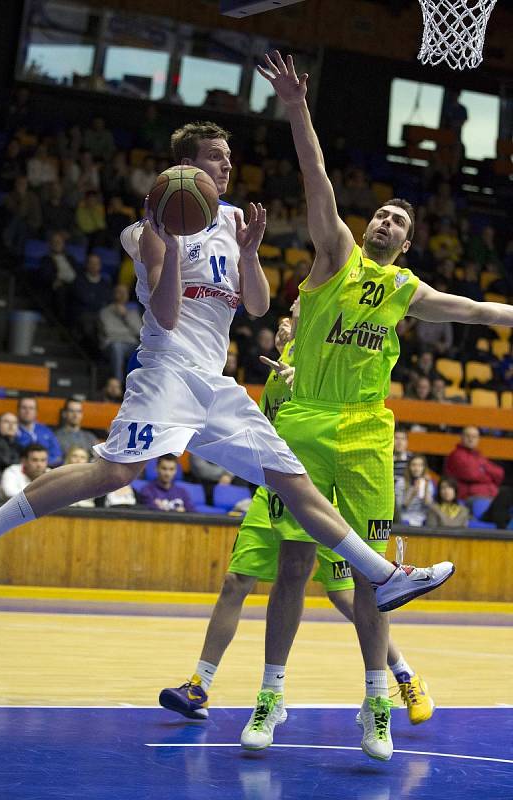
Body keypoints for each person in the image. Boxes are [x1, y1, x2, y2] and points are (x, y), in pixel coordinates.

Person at [0, 117, 454, 749]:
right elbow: (170, 312)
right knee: (117, 471)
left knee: (292, 479)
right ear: (184, 171)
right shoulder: (146, 229)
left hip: (215, 382)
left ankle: (381, 575)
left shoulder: (234, 221)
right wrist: (171, 240)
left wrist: (253, 249)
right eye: (215, 159)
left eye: (229, 158)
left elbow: (258, 307)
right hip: (166, 374)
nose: (228, 168)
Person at [249, 50, 510, 760]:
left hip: (367, 435)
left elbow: (486, 312)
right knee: (295, 570)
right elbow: (315, 178)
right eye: (384, 214)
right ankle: (270, 698)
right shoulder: (336, 254)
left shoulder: (407, 292)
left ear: (408, 240)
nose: (389, 222)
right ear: (368, 227)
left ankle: (376, 703)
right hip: (305, 422)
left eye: (400, 220)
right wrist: (299, 109)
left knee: (373, 577)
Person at [161, 314, 433, 732]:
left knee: (349, 597)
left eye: (299, 312)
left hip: (326, 496)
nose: (289, 319)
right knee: (236, 582)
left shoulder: (328, 361)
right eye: (287, 314)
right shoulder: (275, 369)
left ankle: (404, 675)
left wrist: (300, 377)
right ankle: (199, 685)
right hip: (275, 488)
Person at [445, 426, 513, 528]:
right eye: (468, 436)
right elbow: (471, 474)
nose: (471, 439)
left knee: (507, 493)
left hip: (491, 497)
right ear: (461, 437)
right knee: (500, 499)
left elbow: (499, 473)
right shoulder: (456, 455)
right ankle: (502, 534)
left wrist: (483, 470)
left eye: (474, 436)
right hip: (471, 498)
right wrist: (488, 474)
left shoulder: (479, 456)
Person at [98, 284, 142, 382]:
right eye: (119, 292)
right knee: (117, 347)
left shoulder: (132, 312)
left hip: (131, 344)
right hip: (113, 343)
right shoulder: (105, 311)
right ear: (114, 294)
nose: (122, 295)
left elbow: (139, 332)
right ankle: (117, 383)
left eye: (124, 293)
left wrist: (125, 316)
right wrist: (128, 333)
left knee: (147, 350)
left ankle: (141, 383)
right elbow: (109, 332)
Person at [15, 396, 63, 467]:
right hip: (20, 470)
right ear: (18, 410)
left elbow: (57, 456)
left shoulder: (46, 430)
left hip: (46, 470)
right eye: (24, 408)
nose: (27, 411)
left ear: (36, 412)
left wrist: (41, 465)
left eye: (31, 408)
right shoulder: (12, 430)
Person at [397, 455, 434, 527]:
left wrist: (426, 489)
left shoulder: (427, 482)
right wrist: (412, 493)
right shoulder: (401, 482)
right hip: (405, 517)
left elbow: (428, 506)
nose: (416, 468)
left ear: (424, 468)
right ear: (409, 467)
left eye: (420, 465)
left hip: (423, 518)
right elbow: (399, 508)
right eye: (413, 465)